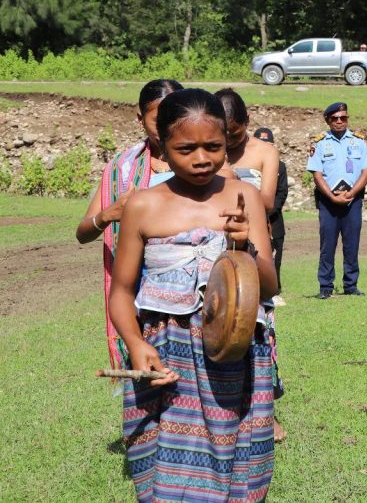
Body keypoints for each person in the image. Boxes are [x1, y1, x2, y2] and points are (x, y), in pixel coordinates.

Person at [108, 88, 277, 501]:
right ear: (163, 147)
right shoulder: (143, 206)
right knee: (169, 465)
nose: (202, 158)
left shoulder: (245, 198)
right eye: (186, 149)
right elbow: (122, 292)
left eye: (213, 147)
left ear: (227, 143)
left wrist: (245, 247)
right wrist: (136, 344)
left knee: (235, 455)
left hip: (235, 352)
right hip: (168, 355)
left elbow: (270, 286)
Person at [76, 78, 183, 370]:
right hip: (139, 295)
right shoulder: (122, 169)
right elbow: (83, 233)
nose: (166, 126)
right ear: (140, 118)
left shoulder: (201, 162)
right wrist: (107, 214)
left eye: (174, 116)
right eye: (157, 119)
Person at [308, 102, 367, 297]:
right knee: (327, 246)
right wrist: (332, 196)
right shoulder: (319, 143)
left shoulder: (358, 141)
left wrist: (352, 193)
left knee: (352, 244)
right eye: (335, 118)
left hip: (352, 201)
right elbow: (317, 175)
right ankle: (325, 286)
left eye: (343, 118)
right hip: (328, 202)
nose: (339, 121)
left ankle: (351, 285)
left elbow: (366, 171)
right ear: (328, 120)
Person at [253, 127, 288, 301]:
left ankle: (275, 290)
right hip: (251, 220)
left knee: (276, 256)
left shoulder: (279, 166)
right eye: (261, 143)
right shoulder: (247, 164)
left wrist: (267, 211)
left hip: (273, 219)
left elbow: (281, 193)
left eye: (268, 144)